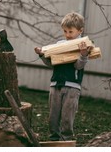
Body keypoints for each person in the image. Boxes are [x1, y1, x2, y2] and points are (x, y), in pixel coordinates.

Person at [34, 12, 92, 141]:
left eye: (70, 32)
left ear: (80, 30)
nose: (67, 35)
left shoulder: (83, 45)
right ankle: (54, 139)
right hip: (55, 85)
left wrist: (83, 54)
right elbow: (52, 63)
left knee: (67, 116)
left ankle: (67, 140)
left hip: (72, 87)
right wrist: (42, 55)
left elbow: (78, 66)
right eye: (65, 31)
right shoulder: (60, 44)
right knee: (53, 116)